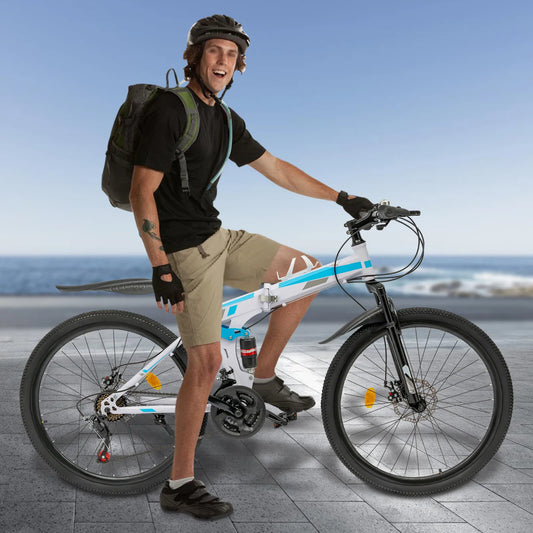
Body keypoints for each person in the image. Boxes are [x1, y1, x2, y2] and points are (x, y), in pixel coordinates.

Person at [129, 14, 374, 521]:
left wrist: (342, 197)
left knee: (305, 273)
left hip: (218, 237)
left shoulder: (224, 119)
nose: (223, 61)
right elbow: (141, 191)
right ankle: (179, 484)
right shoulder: (170, 110)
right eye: (214, 51)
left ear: (239, 65)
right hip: (184, 250)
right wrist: (161, 265)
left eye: (232, 54)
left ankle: (263, 378)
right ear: (195, 57)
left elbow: (277, 169)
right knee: (205, 365)